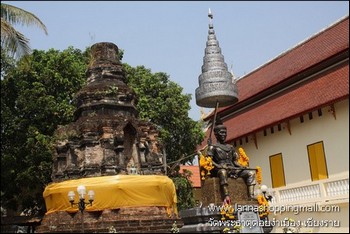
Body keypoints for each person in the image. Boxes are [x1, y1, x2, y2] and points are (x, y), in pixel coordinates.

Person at [206, 119, 256, 204]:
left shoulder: (230, 147)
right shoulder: (213, 147)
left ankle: (251, 196)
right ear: (216, 134)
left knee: (250, 173)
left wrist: (241, 166)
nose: (224, 135)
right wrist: (219, 166)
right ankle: (226, 196)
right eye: (222, 132)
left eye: (225, 132)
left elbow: (235, 161)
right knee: (223, 172)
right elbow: (209, 161)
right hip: (220, 168)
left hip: (232, 168)